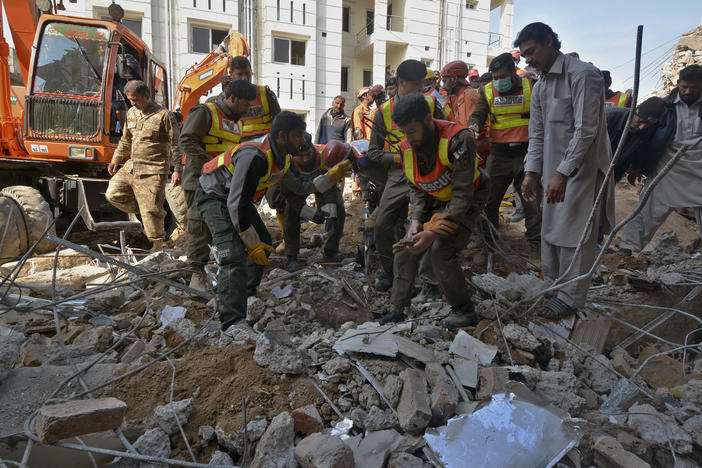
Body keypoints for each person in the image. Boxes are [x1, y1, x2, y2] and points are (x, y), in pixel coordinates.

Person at [516, 22, 614, 319]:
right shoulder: (541, 85)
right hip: (551, 170)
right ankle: (553, 285)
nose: (528, 59)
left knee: (574, 232)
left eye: (531, 52)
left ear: (549, 42)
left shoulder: (582, 74)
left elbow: (586, 131)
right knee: (550, 228)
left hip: (580, 170)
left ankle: (571, 297)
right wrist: (532, 172)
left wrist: (563, 173)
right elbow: (537, 133)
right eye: (524, 55)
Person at [377, 93, 486, 328]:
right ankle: (397, 309)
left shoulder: (459, 139)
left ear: (428, 120)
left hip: (466, 200)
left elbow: (463, 194)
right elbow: (415, 187)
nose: (409, 138)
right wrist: (416, 221)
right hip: (434, 199)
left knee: (440, 251)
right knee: (406, 248)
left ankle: (464, 310)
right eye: (404, 132)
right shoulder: (407, 147)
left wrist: (434, 231)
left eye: (412, 131)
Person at [196, 112, 306, 329]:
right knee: (232, 254)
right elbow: (235, 204)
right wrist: (248, 239)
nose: (302, 141)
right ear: (282, 136)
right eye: (298, 136)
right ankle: (232, 320)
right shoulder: (254, 156)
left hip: (234, 198)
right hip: (214, 194)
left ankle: (244, 294)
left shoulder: (282, 158)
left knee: (263, 242)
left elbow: (296, 194)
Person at [367, 59, 446, 294]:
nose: (421, 88)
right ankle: (390, 273)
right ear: (401, 82)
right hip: (399, 174)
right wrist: (400, 158)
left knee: (432, 223)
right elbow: (373, 152)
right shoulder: (383, 111)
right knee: (381, 225)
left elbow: (446, 133)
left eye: (423, 83)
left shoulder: (432, 104)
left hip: (431, 169)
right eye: (415, 84)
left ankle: (430, 279)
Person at [179, 80, 258, 290]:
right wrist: (211, 164)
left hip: (221, 183)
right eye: (245, 104)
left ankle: (222, 270)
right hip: (198, 180)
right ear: (232, 98)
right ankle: (196, 273)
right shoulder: (206, 112)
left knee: (222, 224)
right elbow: (186, 140)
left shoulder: (237, 122)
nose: (248, 109)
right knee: (199, 226)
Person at [619, 65, 702, 255]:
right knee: (647, 209)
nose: (688, 92)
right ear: (678, 84)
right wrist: (638, 166)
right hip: (668, 168)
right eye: (684, 87)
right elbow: (644, 137)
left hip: (699, 169)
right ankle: (627, 250)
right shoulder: (663, 107)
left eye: (694, 88)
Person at [468, 52, 542, 264]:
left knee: (532, 203)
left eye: (502, 76)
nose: (499, 81)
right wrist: (472, 128)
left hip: (527, 154)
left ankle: (535, 246)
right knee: (488, 202)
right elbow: (478, 114)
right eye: (495, 77)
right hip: (499, 155)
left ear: (513, 71)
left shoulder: (532, 86)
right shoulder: (488, 90)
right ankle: (488, 246)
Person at [106, 80, 182, 251]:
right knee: (113, 193)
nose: (132, 103)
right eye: (130, 100)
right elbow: (126, 140)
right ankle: (148, 210)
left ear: (147, 96)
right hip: (132, 167)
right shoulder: (132, 113)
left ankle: (157, 247)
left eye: (135, 100)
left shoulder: (164, 116)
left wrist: (177, 169)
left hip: (154, 170)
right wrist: (116, 158)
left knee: (151, 210)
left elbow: (176, 144)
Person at [272, 134, 349, 271]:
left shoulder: (324, 155)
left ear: (313, 149)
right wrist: (312, 214)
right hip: (296, 189)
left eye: (308, 154)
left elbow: (330, 188)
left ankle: (331, 250)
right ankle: (291, 255)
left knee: (337, 206)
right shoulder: (285, 163)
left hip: (321, 185)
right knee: (289, 212)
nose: (306, 159)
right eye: (300, 156)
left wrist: (329, 213)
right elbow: (293, 198)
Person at [605, 97, 666, 182]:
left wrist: (636, 168)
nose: (641, 127)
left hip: (615, 170)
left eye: (647, 124)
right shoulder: (608, 117)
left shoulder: (648, 129)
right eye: (640, 121)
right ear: (634, 113)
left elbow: (640, 149)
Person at [227, 56, 282, 140]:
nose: (244, 78)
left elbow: (279, 120)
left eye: (247, 74)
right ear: (231, 74)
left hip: (266, 142)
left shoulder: (265, 93)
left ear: (251, 73)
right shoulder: (225, 98)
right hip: (239, 143)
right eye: (240, 74)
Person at [441, 60, 479, 127]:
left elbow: (472, 130)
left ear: (454, 79)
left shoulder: (469, 96)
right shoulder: (455, 96)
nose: (443, 86)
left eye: (445, 81)